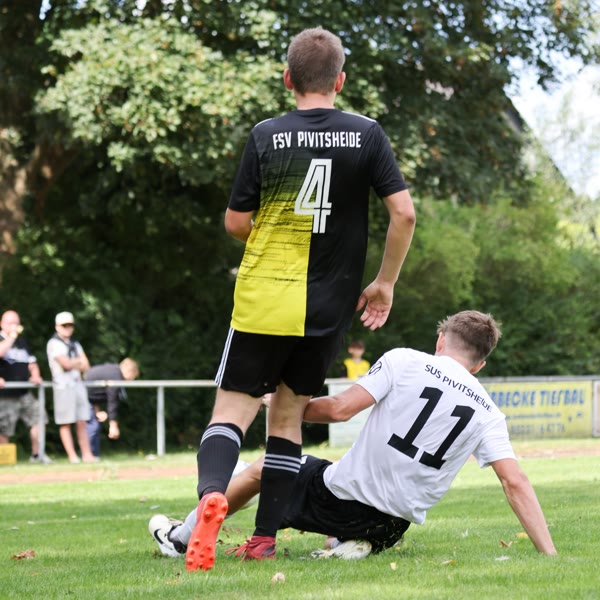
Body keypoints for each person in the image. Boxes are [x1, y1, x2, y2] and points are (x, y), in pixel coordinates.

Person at [185, 26, 416, 571]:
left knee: (232, 412)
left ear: (288, 79)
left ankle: (212, 497)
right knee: (287, 419)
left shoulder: (266, 134)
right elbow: (404, 214)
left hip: (267, 295)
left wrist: (272, 239)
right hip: (329, 305)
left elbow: (235, 222)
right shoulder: (367, 133)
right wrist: (384, 282)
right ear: (340, 80)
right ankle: (263, 539)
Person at [149, 311, 557, 561]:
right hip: (392, 526)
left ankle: (180, 538)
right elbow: (515, 481)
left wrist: (279, 403)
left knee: (266, 467)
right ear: (480, 364)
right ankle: (355, 543)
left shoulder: (405, 361)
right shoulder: (489, 412)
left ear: (440, 341)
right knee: (337, 481)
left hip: (339, 502)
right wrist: (549, 553)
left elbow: (339, 409)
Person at [0, 310, 51, 463]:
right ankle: (4, 460)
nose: (14, 326)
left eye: (16, 323)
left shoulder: (22, 342)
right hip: (5, 394)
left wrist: (35, 375)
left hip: (24, 392)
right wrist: (11, 337)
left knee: (38, 418)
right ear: (2, 324)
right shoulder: (4, 339)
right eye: (11, 323)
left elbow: (32, 363)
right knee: (4, 428)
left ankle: (37, 455)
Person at [46, 311, 96, 463]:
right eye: (64, 325)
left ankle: (87, 455)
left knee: (82, 421)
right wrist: (76, 363)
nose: (68, 328)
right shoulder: (54, 343)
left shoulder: (75, 344)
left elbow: (86, 365)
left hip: (77, 385)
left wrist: (73, 363)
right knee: (66, 422)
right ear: (57, 327)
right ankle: (72, 456)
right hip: (63, 386)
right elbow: (66, 365)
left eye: (70, 325)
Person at [85, 358, 140, 457]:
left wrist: (96, 411)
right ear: (128, 371)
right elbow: (112, 401)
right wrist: (113, 426)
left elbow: (94, 393)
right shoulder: (115, 376)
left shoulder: (113, 371)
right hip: (82, 398)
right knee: (93, 427)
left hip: (87, 400)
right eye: (133, 376)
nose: (132, 380)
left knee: (95, 426)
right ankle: (88, 455)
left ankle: (93, 456)